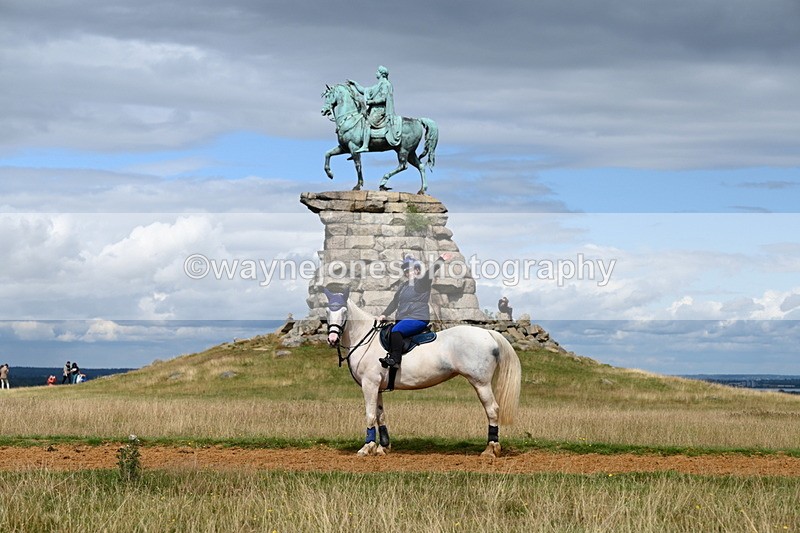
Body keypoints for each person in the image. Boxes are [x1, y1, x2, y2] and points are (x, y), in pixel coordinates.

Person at [377, 252, 452, 368]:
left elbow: (430, 272)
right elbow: (394, 303)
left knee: (396, 330)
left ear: (417, 270)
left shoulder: (422, 282)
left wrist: (440, 259)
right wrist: (384, 314)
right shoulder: (403, 287)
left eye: (412, 270)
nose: (409, 272)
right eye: (407, 271)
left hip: (418, 318)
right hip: (404, 319)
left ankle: (395, 359)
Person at [347, 65, 402, 153]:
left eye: (377, 72)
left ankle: (365, 146)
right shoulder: (377, 86)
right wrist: (355, 84)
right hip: (373, 110)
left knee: (367, 123)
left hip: (380, 111)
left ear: (381, 74)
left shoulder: (386, 85)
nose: (376, 73)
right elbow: (364, 90)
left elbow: (384, 98)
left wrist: (372, 102)